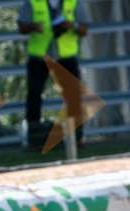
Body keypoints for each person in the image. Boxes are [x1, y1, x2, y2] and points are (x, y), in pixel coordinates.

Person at [18, 0, 89, 149]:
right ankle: (34, 139)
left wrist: (72, 26)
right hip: (39, 56)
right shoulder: (33, 2)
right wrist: (33, 26)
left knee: (73, 96)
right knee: (34, 95)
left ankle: (77, 138)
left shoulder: (74, 2)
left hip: (66, 55)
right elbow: (22, 26)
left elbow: (84, 28)